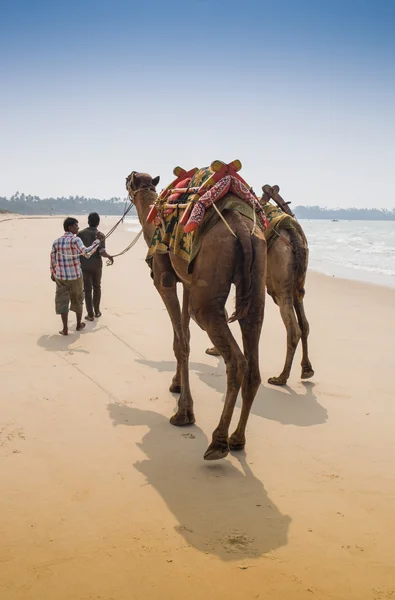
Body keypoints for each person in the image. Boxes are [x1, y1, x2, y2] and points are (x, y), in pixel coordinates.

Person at [50, 217, 103, 335]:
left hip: (61, 277)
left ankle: (65, 329)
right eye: (76, 226)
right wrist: (97, 242)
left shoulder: (56, 241)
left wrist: (52, 273)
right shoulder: (75, 240)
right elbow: (87, 252)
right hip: (75, 276)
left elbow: (52, 260)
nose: (78, 228)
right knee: (78, 299)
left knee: (62, 301)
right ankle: (78, 325)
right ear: (70, 227)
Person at [77, 212, 114, 321]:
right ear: (98, 223)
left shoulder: (80, 234)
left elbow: (77, 250)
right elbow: (102, 252)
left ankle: (90, 314)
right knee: (97, 287)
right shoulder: (101, 235)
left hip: (84, 265)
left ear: (88, 221)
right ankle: (97, 311)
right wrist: (109, 256)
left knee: (87, 290)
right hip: (97, 266)